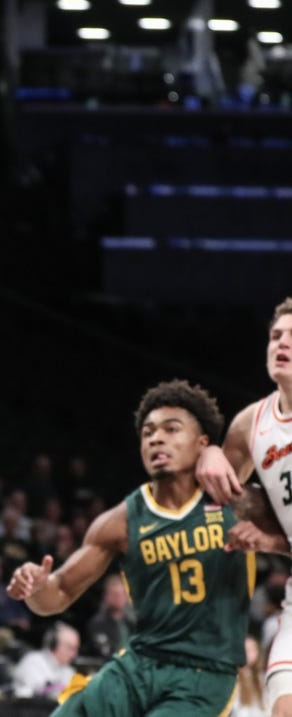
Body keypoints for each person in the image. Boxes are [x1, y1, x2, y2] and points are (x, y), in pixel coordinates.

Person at [7, 379, 286, 716]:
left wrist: (271, 542)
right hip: (139, 664)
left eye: (171, 429)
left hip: (205, 675)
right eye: (148, 432)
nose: (156, 438)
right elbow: (58, 593)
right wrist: (35, 588)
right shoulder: (121, 521)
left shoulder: (237, 502)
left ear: (201, 443)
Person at [195, 297, 292, 716]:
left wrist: (273, 540)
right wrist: (208, 455)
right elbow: (206, 503)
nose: (281, 343)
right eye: (275, 336)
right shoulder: (252, 423)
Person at [11, 622, 80, 700]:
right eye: (70, 648)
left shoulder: (68, 671)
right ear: (53, 644)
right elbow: (37, 693)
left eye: (75, 649)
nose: (74, 654)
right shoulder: (33, 661)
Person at [83, 574, 134, 660]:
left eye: (122, 594)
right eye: (115, 594)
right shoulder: (97, 624)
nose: (119, 598)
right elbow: (103, 651)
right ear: (106, 596)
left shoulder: (131, 623)